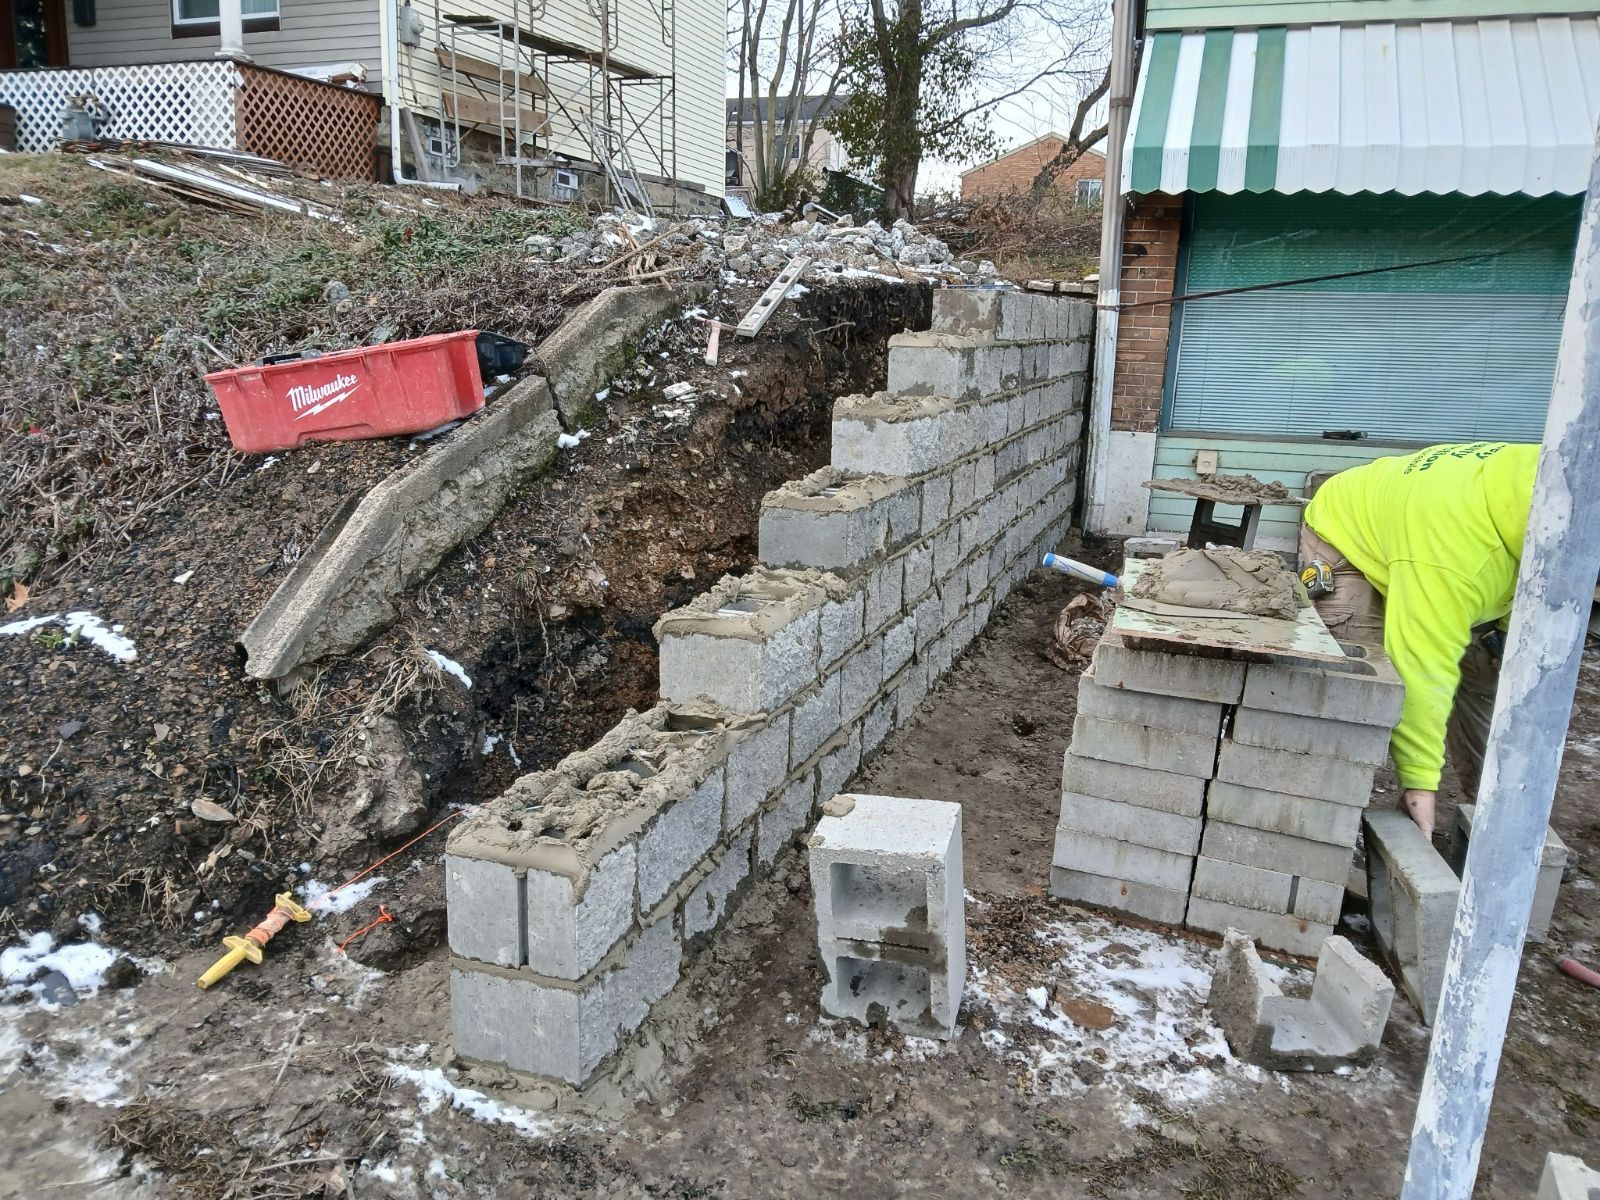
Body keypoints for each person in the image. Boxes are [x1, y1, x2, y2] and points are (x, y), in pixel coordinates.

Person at [1298, 441, 1539, 839]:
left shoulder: (1563, 489)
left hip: (1427, 528)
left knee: (1487, 674)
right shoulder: (1458, 556)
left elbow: (1539, 589)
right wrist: (1419, 784)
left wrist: (1508, 630)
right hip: (1350, 531)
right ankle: (1321, 831)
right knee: (1364, 684)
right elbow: (1422, 664)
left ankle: (1499, 815)